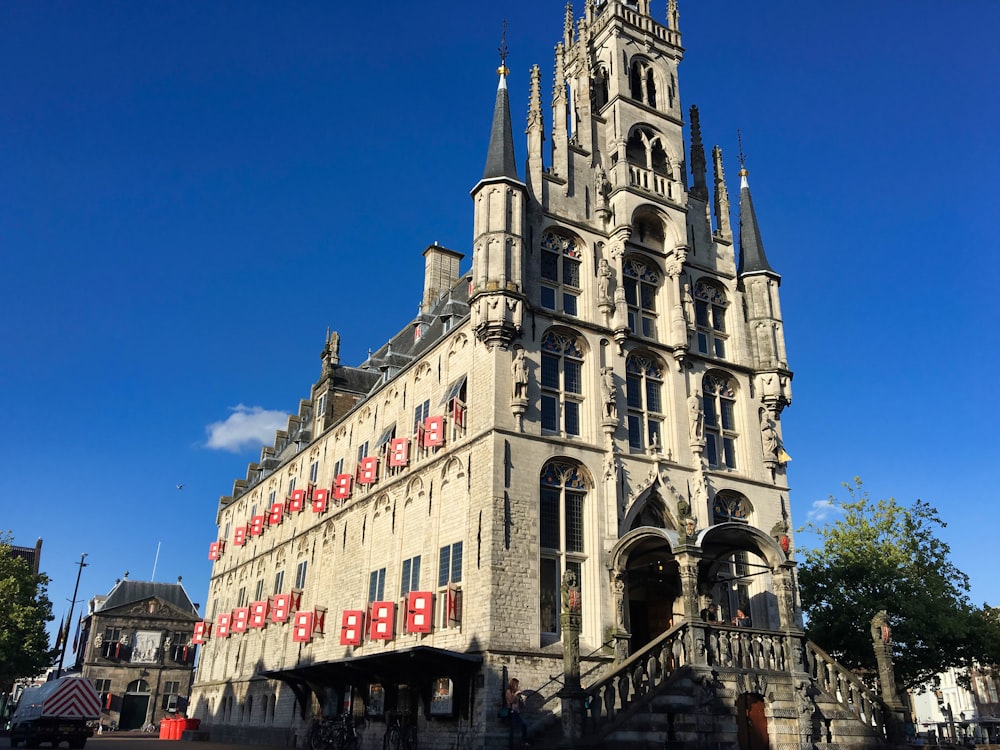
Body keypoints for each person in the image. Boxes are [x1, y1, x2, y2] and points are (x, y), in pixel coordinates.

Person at [506, 678, 529, 748]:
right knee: (512, 729)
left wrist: (522, 700)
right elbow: (510, 701)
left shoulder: (517, 692)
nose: (517, 686)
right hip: (511, 712)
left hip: (517, 712)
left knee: (524, 725)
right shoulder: (508, 691)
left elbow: (519, 703)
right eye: (516, 684)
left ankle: (524, 742)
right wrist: (516, 694)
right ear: (513, 684)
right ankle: (511, 745)